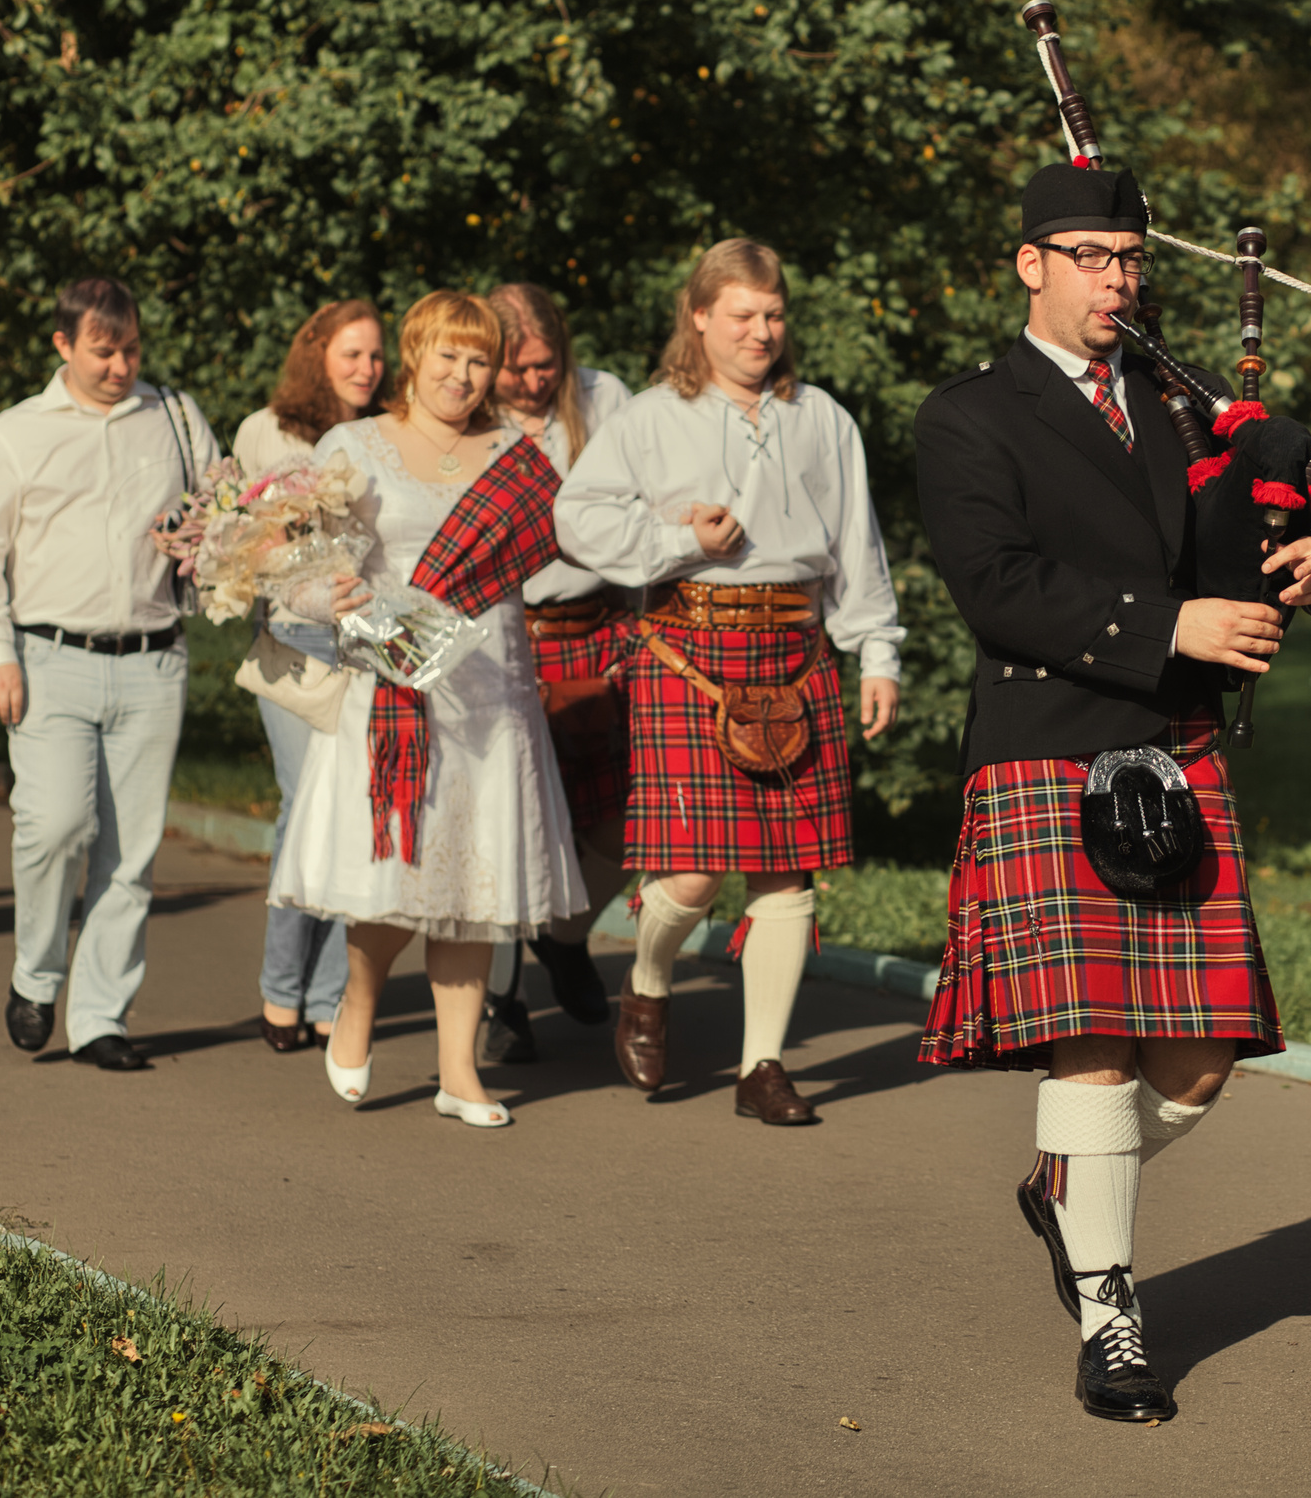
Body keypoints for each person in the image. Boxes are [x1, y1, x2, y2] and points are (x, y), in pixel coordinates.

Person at [910, 164, 1311, 1424]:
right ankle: (1112, 1313)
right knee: (1094, 1043)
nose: (1118, 279)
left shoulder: (1178, 409)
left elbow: (1271, 525)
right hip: (1047, 742)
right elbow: (997, 586)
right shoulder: (969, 415)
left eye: (1131, 257)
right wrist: (1169, 625)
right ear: (1030, 264)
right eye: (1092, 256)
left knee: (1200, 1060)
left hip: (1172, 743)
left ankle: (1065, 1183)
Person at [555, 239, 903, 1125]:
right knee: (695, 876)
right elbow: (577, 519)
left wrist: (877, 653)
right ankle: (646, 979)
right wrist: (680, 541)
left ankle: (763, 1067)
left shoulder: (822, 417)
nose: (762, 331)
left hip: (794, 653)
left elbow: (857, 544)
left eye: (774, 314)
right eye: (743, 314)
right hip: (687, 648)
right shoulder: (651, 416)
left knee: (787, 872)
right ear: (700, 315)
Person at [267, 290, 587, 1129]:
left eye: (480, 360)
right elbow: (298, 571)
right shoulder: (353, 446)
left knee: (475, 885)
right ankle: (358, 1004)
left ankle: (459, 1073)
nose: (463, 375)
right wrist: (326, 595)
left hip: (492, 696)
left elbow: (570, 546)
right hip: (395, 690)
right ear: (414, 354)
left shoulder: (515, 454)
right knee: (395, 879)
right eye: (448, 355)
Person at [0, 277, 223, 1071]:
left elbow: (224, 512)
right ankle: (36, 976)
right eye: (103, 351)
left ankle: (103, 1017)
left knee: (131, 850)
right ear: (63, 344)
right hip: (47, 659)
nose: (120, 366)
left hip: (153, 660)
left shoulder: (175, 418)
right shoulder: (15, 434)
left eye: (131, 348)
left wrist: (202, 535)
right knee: (56, 825)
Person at [474, 283, 638, 1062]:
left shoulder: (606, 398)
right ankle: (501, 1002)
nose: (536, 381)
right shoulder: (468, 411)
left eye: (547, 365)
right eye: (518, 368)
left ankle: (565, 936)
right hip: (505, 634)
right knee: (507, 826)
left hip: (598, 626)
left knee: (628, 815)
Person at [230, 299, 386, 1055]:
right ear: (317, 354)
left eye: (376, 356)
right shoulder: (270, 431)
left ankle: (329, 996)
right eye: (352, 354)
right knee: (304, 806)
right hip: (295, 639)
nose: (367, 369)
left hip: (366, 640)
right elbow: (245, 539)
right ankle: (280, 987)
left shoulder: (385, 435)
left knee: (350, 812)